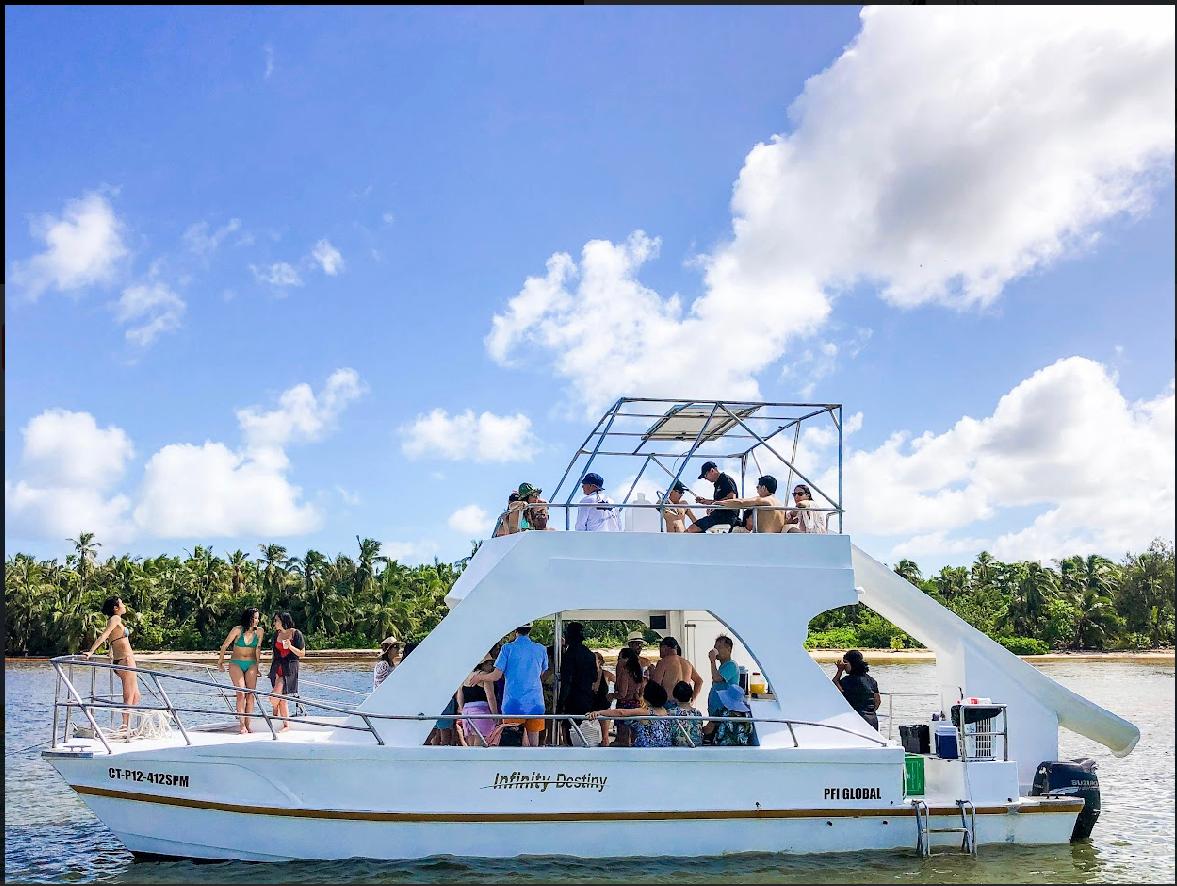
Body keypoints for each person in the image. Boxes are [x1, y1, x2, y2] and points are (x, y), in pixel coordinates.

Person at [475, 622, 550, 747]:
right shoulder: (541, 649)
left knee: (513, 742)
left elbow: (496, 676)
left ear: (515, 629)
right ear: (530, 630)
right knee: (533, 745)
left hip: (513, 703)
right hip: (535, 702)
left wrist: (480, 677)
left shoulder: (507, 648)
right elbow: (542, 672)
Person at [82, 597, 141, 734]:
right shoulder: (115, 619)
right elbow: (104, 635)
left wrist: (110, 652)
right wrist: (91, 651)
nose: (125, 605)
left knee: (136, 696)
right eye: (122, 603)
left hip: (120, 660)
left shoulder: (115, 620)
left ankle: (128, 725)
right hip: (125, 660)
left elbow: (113, 638)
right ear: (116, 608)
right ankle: (125, 727)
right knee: (129, 696)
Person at [587, 679, 672, 748]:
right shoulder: (665, 712)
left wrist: (599, 712)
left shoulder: (646, 712)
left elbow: (621, 712)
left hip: (646, 747)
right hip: (664, 745)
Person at [218, 608, 264, 733]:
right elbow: (225, 645)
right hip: (236, 663)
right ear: (248, 618)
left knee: (250, 695)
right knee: (241, 694)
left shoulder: (259, 631)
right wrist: (220, 661)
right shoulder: (237, 630)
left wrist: (258, 667)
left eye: (257, 618)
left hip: (252, 664)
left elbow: (257, 650)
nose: (257, 620)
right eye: (255, 618)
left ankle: (248, 724)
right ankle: (242, 724)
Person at [558, 622, 599, 741]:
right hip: (587, 698)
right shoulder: (590, 654)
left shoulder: (569, 655)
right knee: (585, 732)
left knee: (570, 732)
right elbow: (595, 677)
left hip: (572, 699)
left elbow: (567, 681)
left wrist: (560, 705)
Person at [268, 612, 305, 731]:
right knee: (282, 698)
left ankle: (275, 711)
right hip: (277, 666)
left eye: (276, 620)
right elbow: (275, 653)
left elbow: (302, 653)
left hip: (289, 667)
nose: (274, 623)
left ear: (283, 621)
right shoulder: (277, 634)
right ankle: (286, 725)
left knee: (274, 698)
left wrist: (290, 646)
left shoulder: (296, 633)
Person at [833, 649, 881, 730]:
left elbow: (834, 684)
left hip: (857, 721)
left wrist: (839, 670)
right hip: (872, 721)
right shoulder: (871, 680)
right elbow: (877, 701)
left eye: (845, 663)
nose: (844, 667)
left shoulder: (847, 681)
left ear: (851, 663)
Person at [458, 654, 500, 745]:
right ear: (482, 664)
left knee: (470, 745)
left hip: (466, 713)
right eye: (490, 663)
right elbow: (491, 697)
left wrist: (463, 711)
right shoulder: (485, 676)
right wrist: (495, 715)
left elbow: (460, 696)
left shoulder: (465, 676)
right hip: (481, 713)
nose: (492, 667)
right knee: (480, 746)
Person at [648, 636, 704, 704]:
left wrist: (652, 673)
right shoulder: (687, 663)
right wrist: (693, 698)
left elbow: (656, 685)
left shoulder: (663, 662)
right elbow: (699, 681)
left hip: (669, 702)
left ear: (664, 648)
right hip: (685, 703)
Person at [721, 475, 786, 533]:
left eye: (758, 487)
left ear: (763, 488)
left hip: (763, 540)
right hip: (777, 541)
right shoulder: (781, 505)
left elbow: (741, 502)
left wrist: (719, 503)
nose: (757, 490)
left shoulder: (764, 500)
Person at [688, 461, 739, 533]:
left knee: (691, 529)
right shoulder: (718, 483)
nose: (705, 478)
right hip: (719, 516)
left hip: (726, 516)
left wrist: (714, 505)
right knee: (693, 529)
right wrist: (704, 501)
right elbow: (717, 502)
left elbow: (731, 498)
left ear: (712, 470)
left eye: (705, 475)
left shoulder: (725, 479)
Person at [610, 646, 645, 747]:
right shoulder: (638, 672)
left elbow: (622, 694)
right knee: (635, 736)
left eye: (620, 658)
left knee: (623, 738)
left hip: (624, 705)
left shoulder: (626, 672)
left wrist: (611, 695)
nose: (618, 661)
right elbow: (640, 691)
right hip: (636, 705)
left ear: (627, 659)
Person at [665, 680, 704, 747]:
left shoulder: (671, 713)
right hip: (696, 746)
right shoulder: (697, 713)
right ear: (691, 695)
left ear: (675, 697)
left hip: (677, 748)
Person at [592, 651, 614, 747]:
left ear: (600, 661)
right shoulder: (586, 674)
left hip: (603, 705)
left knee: (605, 737)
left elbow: (620, 684)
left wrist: (613, 695)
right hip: (590, 704)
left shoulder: (606, 674)